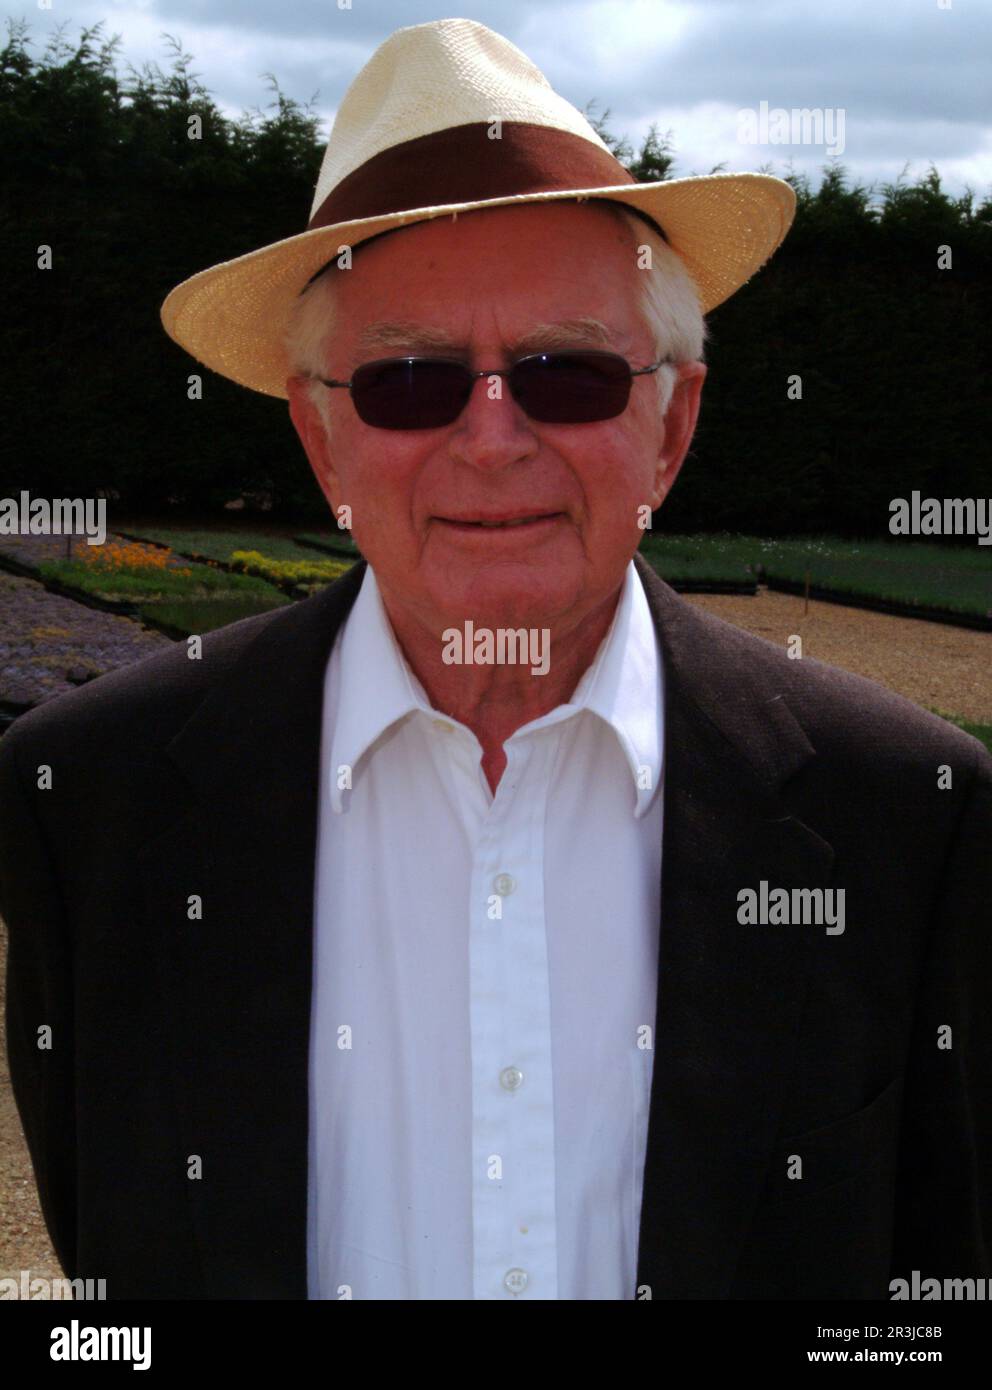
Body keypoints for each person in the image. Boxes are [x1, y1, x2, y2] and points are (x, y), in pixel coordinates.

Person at [2, 17, 989, 1301]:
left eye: (564, 373)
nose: (489, 437)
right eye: (409, 380)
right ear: (320, 439)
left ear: (671, 420)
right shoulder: (87, 801)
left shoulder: (903, 813)